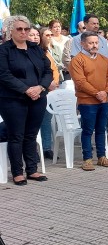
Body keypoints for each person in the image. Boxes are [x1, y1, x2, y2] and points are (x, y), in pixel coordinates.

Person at [0, 15, 52, 185]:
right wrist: (26, 89)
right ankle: (17, 172)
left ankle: (32, 169)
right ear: (10, 31)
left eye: (26, 29)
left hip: (38, 97)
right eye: (19, 29)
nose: (24, 32)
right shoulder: (4, 50)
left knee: (30, 135)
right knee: (17, 135)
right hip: (13, 99)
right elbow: (4, 75)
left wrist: (40, 87)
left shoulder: (35, 48)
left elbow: (48, 71)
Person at [70, 31, 108, 171]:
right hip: (87, 101)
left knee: (102, 129)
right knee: (88, 130)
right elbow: (80, 82)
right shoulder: (77, 60)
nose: (94, 45)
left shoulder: (104, 59)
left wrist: (106, 92)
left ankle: (102, 157)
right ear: (82, 44)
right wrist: (97, 93)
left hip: (104, 100)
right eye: (91, 43)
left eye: (96, 43)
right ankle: (87, 159)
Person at [38, 27, 60, 160]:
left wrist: (55, 82)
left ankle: (47, 148)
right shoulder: (36, 52)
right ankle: (36, 148)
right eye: (47, 35)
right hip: (41, 89)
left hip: (51, 90)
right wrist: (47, 83)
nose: (50, 37)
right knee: (37, 121)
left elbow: (54, 69)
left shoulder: (48, 51)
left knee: (47, 120)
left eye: (51, 35)